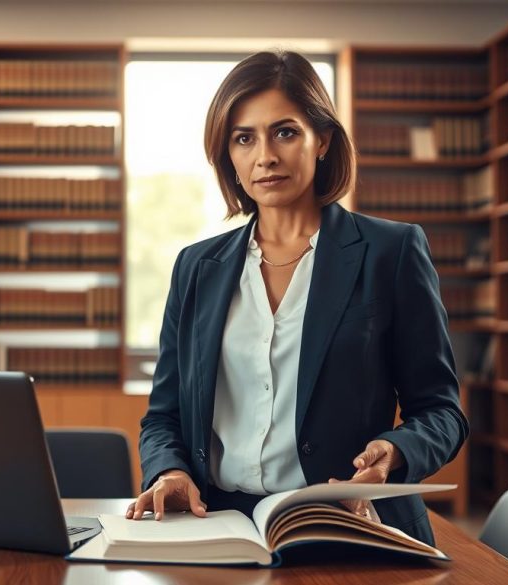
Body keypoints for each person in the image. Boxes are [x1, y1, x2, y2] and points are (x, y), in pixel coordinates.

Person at [127, 50, 468, 546]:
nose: (265, 155)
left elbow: (442, 411)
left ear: (322, 140)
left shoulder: (391, 252)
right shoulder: (196, 268)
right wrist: (168, 471)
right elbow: (164, 415)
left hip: (350, 521)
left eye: (284, 132)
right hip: (217, 523)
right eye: (244, 138)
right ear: (229, 155)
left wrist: (393, 454)